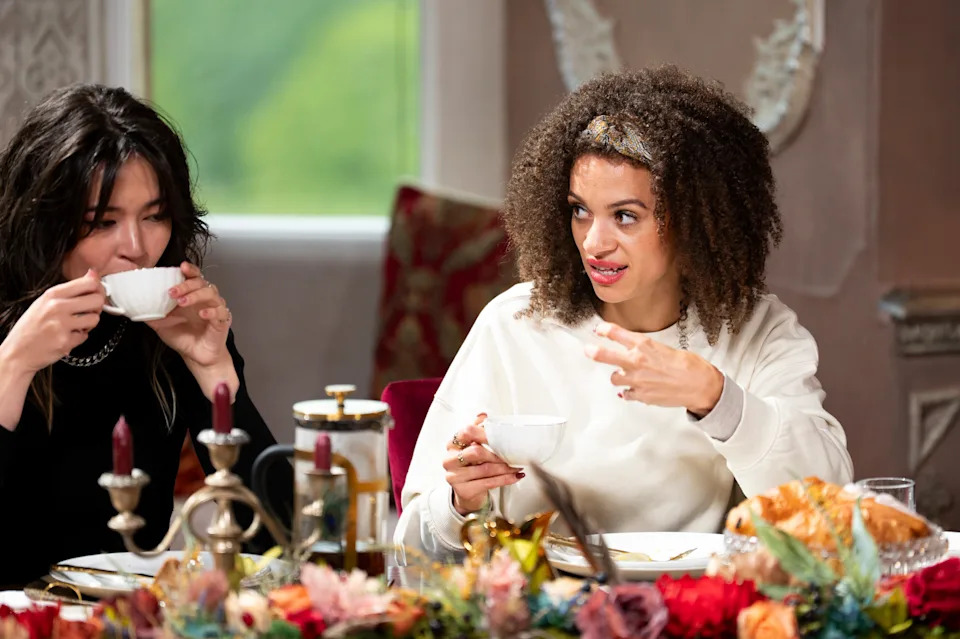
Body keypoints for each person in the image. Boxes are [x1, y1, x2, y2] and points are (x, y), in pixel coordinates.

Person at [395, 66, 854, 561]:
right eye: (580, 210)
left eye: (625, 216)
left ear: (696, 222)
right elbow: (411, 545)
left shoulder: (755, 330)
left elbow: (829, 511)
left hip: (692, 601)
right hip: (542, 602)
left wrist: (716, 397)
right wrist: (460, 503)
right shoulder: (515, 324)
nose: (594, 243)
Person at [0, 84, 288, 587]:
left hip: (136, 615)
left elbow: (280, 544)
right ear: (42, 221)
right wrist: (13, 366)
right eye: (101, 221)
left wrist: (216, 374)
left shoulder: (173, 325)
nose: (136, 247)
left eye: (154, 216)